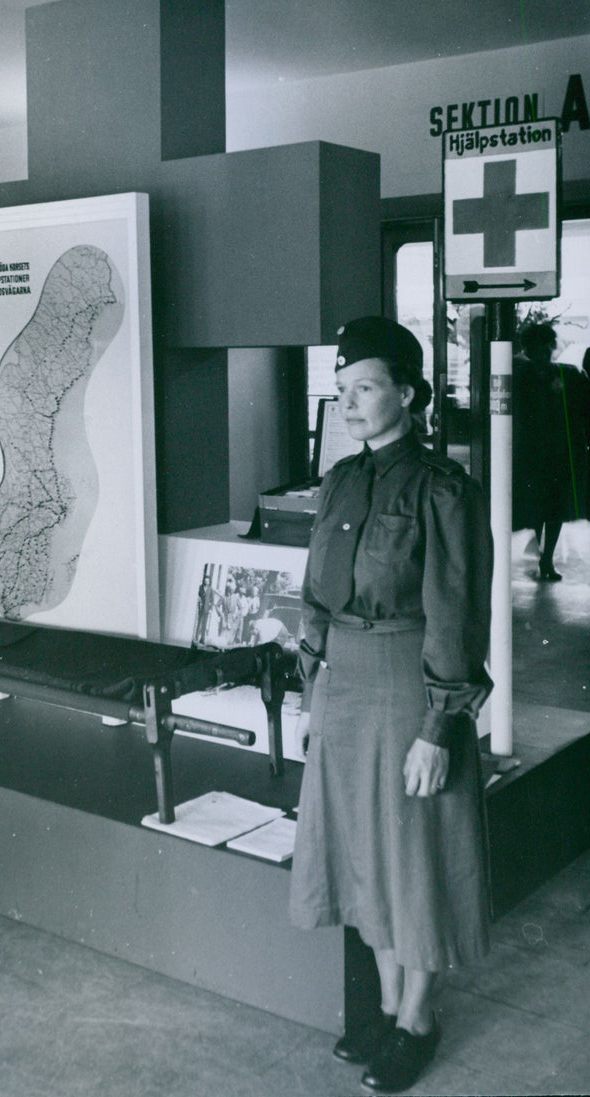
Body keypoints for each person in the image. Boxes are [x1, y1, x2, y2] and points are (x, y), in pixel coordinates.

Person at [289, 317, 493, 1093]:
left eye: (365, 387)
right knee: (362, 852)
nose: (349, 402)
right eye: (341, 390)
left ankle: (417, 1019)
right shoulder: (340, 481)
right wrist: (315, 687)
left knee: (415, 858)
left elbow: (456, 613)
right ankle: (382, 1002)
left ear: (407, 394)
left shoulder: (444, 488)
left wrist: (441, 725)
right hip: (341, 682)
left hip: (410, 679)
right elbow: (314, 594)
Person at [512, 323, 590, 581]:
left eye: (546, 346)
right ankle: (542, 558)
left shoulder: (566, 375)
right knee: (543, 508)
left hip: (549, 454)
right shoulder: (525, 375)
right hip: (537, 453)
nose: (544, 351)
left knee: (553, 508)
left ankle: (545, 559)